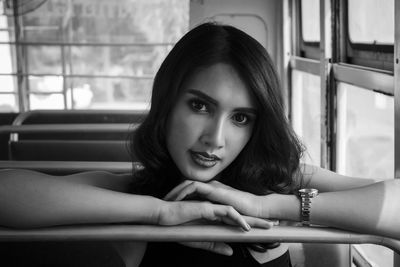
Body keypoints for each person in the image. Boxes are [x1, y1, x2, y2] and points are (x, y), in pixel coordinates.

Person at [0, 22, 399, 267]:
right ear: (167, 103)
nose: (215, 139)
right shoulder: (135, 194)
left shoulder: (284, 181)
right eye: (200, 106)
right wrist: (160, 214)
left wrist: (266, 206)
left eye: (240, 118)